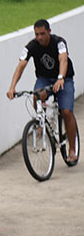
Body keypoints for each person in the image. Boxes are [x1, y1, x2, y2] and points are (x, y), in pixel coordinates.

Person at [7, 19, 78, 163]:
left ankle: (72, 149)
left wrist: (60, 78)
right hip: (45, 79)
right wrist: (12, 87)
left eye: (42, 34)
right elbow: (21, 65)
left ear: (49, 32)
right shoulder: (31, 46)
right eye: (36, 34)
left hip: (64, 79)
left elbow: (63, 60)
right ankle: (42, 122)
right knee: (36, 96)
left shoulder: (59, 42)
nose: (39, 37)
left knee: (66, 112)